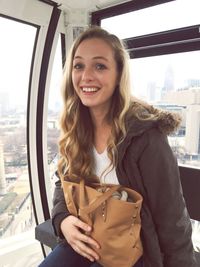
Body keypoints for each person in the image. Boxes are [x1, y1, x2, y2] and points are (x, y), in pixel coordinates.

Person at [39, 26, 197, 267]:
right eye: (79, 66)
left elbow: (172, 220)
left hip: (135, 251)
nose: (86, 76)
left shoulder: (145, 137)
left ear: (118, 74)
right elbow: (63, 183)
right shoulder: (74, 128)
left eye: (100, 66)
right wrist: (62, 221)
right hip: (86, 240)